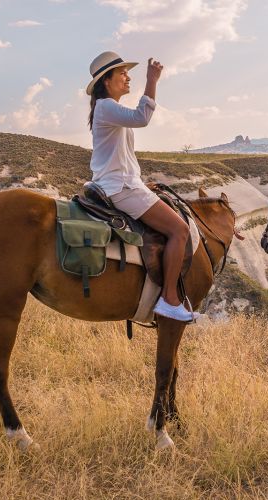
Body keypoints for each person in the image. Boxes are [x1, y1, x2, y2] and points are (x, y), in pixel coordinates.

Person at [85, 51, 198, 322]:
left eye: (128, 73)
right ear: (106, 81)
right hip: (121, 188)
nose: (127, 77)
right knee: (179, 230)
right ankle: (169, 299)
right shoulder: (106, 106)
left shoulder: (108, 110)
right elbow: (142, 117)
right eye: (122, 73)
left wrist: (140, 182)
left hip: (122, 183)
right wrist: (152, 80)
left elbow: (120, 158)